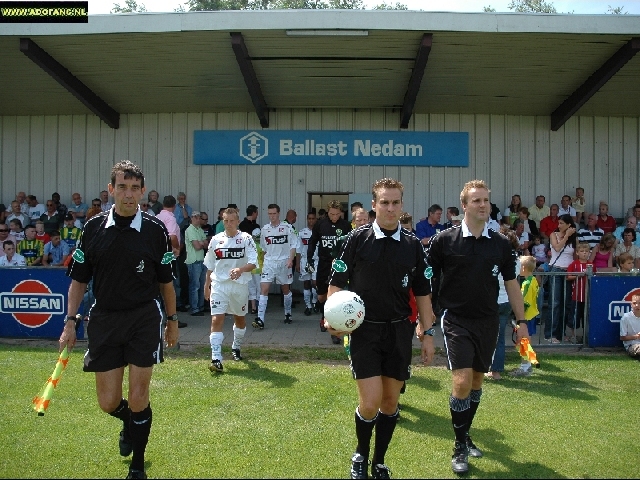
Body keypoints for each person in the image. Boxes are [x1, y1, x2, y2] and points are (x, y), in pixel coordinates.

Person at [58, 160, 179, 480]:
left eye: (135, 188)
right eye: (122, 187)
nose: (128, 194)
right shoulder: (93, 228)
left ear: (143, 192)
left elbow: (167, 282)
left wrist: (172, 320)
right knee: (108, 401)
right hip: (105, 318)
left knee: (139, 394)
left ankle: (137, 466)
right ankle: (129, 421)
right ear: (111, 189)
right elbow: (78, 281)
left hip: (143, 317)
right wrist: (70, 321)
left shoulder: (155, 230)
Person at [325, 178, 434, 479]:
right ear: (374, 205)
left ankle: (379, 461)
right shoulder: (357, 239)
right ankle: (360, 453)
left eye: (395, 202)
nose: (389, 207)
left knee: (390, 402)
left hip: (399, 332)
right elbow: (337, 282)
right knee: (371, 402)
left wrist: (428, 333)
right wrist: (331, 318)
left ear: (401, 206)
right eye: (384, 202)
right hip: (365, 332)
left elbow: (424, 293)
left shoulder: (412, 245)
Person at [425, 179, 527, 475]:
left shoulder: (501, 244)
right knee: (461, 382)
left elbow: (512, 285)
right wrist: (426, 320)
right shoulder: (444, 240)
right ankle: (459, 446)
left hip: (488, 321)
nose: (483, 205)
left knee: (477, 383)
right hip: (455, 320)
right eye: (477, 201)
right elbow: (429, 283)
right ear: (465, 206)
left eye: (486, 200)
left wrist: (521, 322)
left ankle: (465, 434)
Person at [203, 208, 257, 372]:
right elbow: (210, 265)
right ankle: (216, 358)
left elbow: (254, 263)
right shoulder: (216, 240)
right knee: (216, 319)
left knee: (239, 319)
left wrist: (240, 270)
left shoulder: (246, 239)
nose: (228, 224)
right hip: (219, 284)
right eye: (225, 221)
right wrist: (207, 285)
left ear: (238, 221)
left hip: (239, 285)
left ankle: (236, 346)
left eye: (231, 221)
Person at [306, 200, 352, 340]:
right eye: (332, 214)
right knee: (321, 296)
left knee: (336, 295)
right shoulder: (321, 224)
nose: (334, 216)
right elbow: (313, 241)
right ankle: (323, 315)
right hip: (324, 263)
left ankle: (333, 325)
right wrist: (309, 259)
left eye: (337, 214)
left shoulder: (346, 225)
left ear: (341, 213)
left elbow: (351, 244)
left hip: (339, 264)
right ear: (328, 212)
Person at [254, 204, 297, 329]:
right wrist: (264, 261)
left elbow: (293, 245)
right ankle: (260, 319)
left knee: (285, 289)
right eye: (270, 214)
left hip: (284, 262)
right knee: (264, 289)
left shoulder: (287, 228)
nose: (272, 216)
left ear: (278, 213)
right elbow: (263, 248)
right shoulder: (265, 229)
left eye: (274, 213)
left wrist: (290, 259)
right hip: (269, 263)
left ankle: (288, 313)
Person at [486, 231, 521, 381]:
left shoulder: (497, 256)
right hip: (507, 300)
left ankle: (492, 371)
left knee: (488, 337)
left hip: (494, 300)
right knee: (499, 338)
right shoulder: (517, 260)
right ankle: (496, 370)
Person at [545, 214, 577, 343]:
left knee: (565, 304)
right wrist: (566, 236)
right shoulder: (554, 235)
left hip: (568, 271)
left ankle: (560, 333)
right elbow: (557, 248)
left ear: (569, 225)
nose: (559, 226)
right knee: (555, 303)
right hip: (557, 269)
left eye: (562, 223)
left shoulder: (574, 238)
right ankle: (550, 334)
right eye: (558, 223)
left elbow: (575, 255)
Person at [156, 195, 188, 324]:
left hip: (158, 255)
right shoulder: (170, 218)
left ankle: (160, 316)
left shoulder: (157, 217)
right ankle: (171, 317)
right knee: (170, 287)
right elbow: (172, 236)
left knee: (159, 287)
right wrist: (177, 248)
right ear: (174, 206)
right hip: (169, 255)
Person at [512, 255, 539, 376]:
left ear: (523, 268)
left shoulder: (527, 283)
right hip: (530, 315)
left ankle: (525, 366)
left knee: (524, 341)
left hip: (526, 317)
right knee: (526, 340)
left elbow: (524, 302)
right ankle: (528, 364)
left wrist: (516, 313)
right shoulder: (533, 280)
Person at [566, 242, 594, 344]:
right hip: (576, 296)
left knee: (586, 316)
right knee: (574, 316)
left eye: (586, 251)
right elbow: (568, 277)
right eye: (582, 251)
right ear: (577, 253)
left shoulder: (591, 264)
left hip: (588, 296)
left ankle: (585, 336)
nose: (584, 253)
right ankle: (573, 335)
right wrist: (580, 275)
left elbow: (594, 277)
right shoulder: (574, 264)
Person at [184, 211, 208, 317]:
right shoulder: (190, 230)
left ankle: (201, 306)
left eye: (200, 217)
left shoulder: (199, 230)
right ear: (193, 218)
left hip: (202, 260)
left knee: (202, 284)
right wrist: (201, 243)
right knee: (195, 286)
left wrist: (201, 243)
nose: (199, 219)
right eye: (197, 217)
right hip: (193, 261)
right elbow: (197, 246)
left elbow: (207, 243)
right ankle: (195, 308)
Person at [297, 211, 317, 316]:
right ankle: (308, 306)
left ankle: (314, 301)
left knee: (315, 283)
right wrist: (297, 263)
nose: (311, 220)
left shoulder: (319, 232)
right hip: (304, 261)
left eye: (313, 218)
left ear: (316, 219)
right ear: (307, 219)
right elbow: (298, 250)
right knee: (306, 283)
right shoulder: (302, 233)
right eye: (309, 218)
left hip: (316, 261)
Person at [620, 294, 640, 359]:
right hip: (632, 346)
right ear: (631, 304)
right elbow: (622, 337)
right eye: (634, 303)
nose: (637, 305)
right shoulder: (626, 318)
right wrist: (637, 336)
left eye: (639, 303)